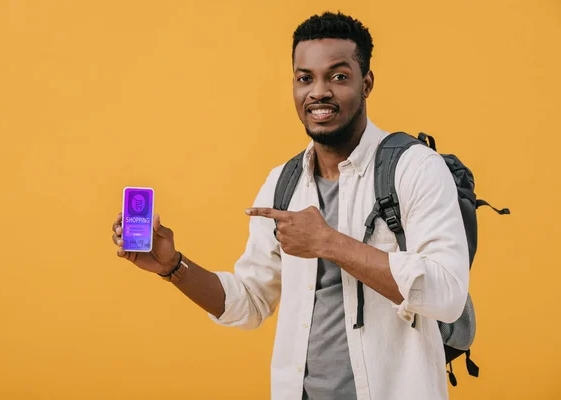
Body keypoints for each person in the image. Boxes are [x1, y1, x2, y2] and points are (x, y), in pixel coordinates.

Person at [111, 11, 469, 400]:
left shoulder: (415, 168)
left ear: (366, 83)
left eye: (338, 76)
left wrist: (327, 242)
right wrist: (174, 266)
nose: (318, 92)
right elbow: (249, 302)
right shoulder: (283, 183)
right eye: (305, 78)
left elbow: (447, 295)